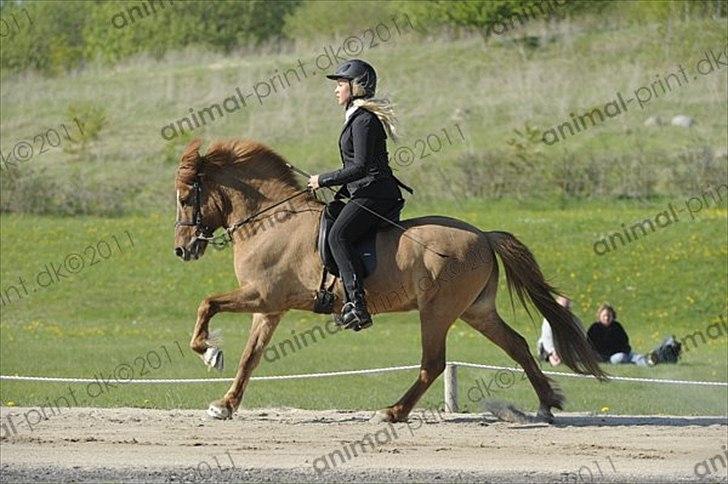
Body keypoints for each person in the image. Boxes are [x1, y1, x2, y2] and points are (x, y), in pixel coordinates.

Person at [307, 59, 412, 331]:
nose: (336, 90)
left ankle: (357, 305)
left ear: (357, 86)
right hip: (366, 190)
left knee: (338, 235)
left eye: (341, 84)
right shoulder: (356, 116)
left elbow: (360, 167)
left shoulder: (363, 120)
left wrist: (323, 179)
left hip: (377, 194)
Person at [587, 303, 651, 366]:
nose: (606, 318)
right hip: (608, 357)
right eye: (604, 316)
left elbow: (625, 341)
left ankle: (649, 361)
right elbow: (589, 344)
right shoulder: (594, 328)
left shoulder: (617, 326)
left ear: (613, 316)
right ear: (600, 316)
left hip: (621, 352)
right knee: (620, 357)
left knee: (635, 356)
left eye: (609, 316)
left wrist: (626, 350)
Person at [537, 296, 584, 366]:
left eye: (566, 308)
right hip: (549, 349)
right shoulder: (549, 319)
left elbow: (581, 336)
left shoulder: (574, 321)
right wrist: (552, 352)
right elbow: (546, 338)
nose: (563, 310)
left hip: (567, 349)